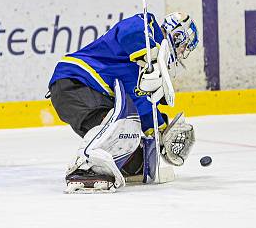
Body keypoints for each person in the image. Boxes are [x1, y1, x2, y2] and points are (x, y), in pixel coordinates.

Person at [48, 12, 199, 193]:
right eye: (183, 47)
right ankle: (83, 168)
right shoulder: (146, 25)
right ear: (176, 35)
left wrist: (161, 131)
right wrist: (148, 52)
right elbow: (129, 30)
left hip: (89, 95)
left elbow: (141, 103)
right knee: (123, 126)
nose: (182, 54)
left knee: (133, 152)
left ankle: (111, 167)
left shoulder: (149, 72)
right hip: (74, 82)